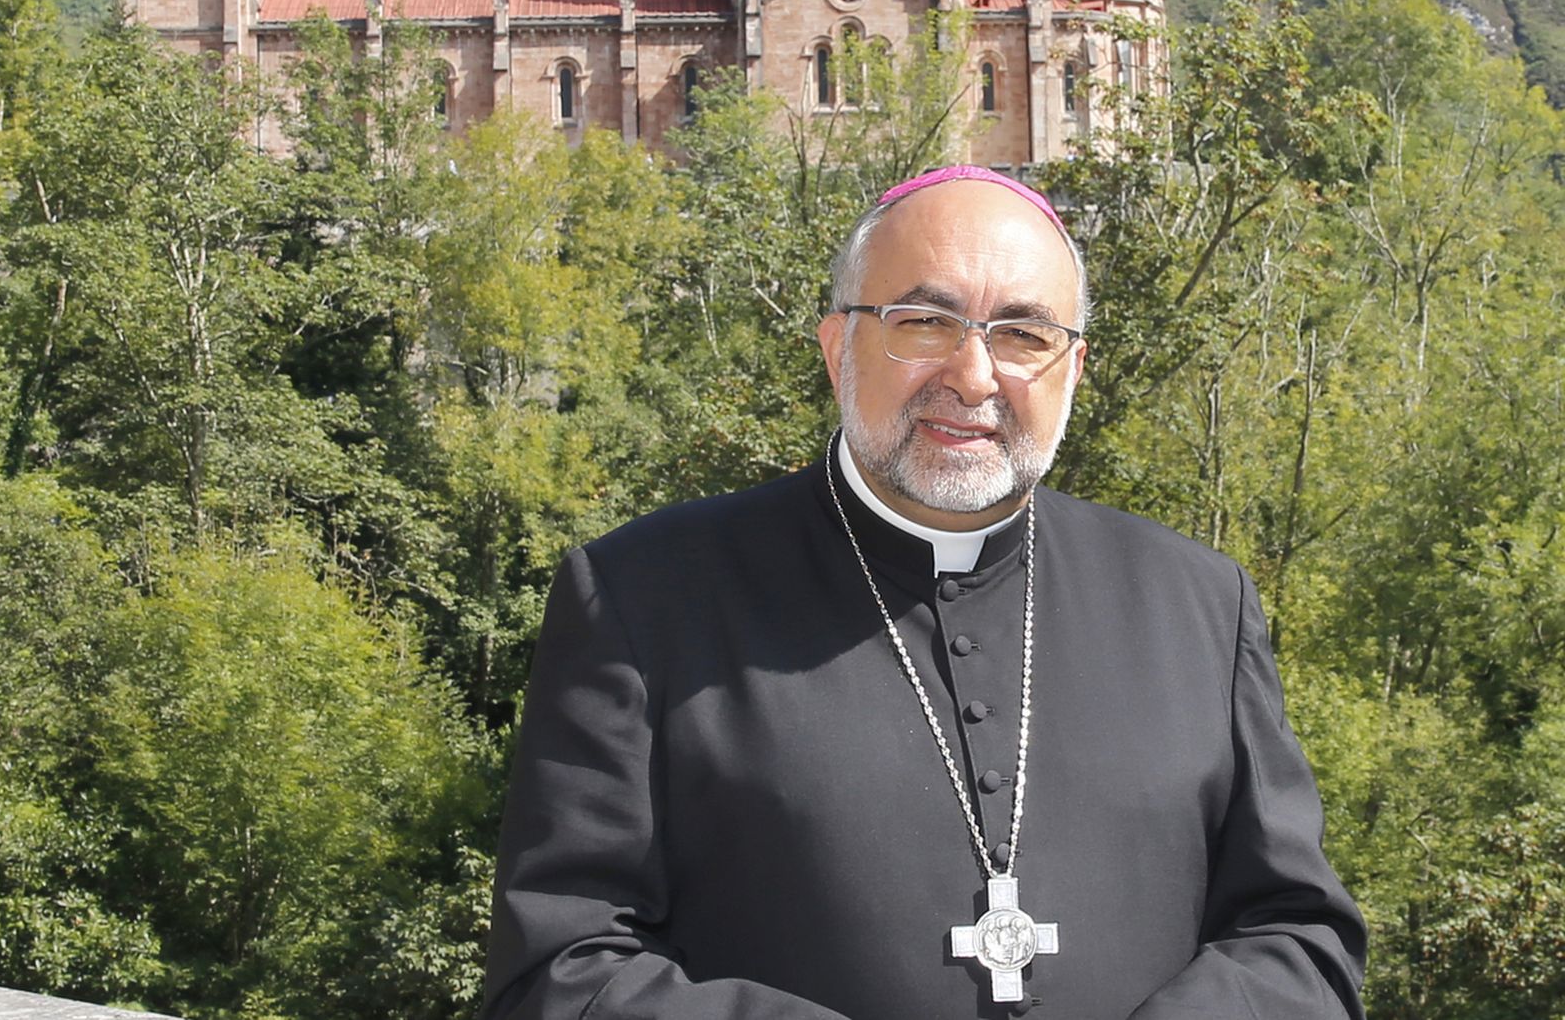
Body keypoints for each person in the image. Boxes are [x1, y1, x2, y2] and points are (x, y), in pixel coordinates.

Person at [480, 165, 1367, 1020]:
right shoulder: (644, 596)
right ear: (838, 348)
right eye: (924, 322)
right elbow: (559, 970)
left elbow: (1299, 938)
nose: (974, 377)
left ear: (1074, 370)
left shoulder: (1201, 604)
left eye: (1023, 334)